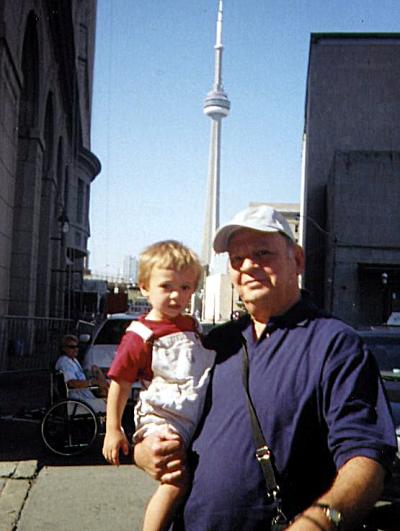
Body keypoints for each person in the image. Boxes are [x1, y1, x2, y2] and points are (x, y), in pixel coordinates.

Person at [134, 205, 398, 531]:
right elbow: (171, 412)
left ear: (297, 260)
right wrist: (145, 452)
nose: (247, 267)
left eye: (262, 253)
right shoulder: (216, 343)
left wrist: (319, 523)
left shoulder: (334, 343)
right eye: (236, 260)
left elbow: (366, 457)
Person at [102, 240, 216, 531]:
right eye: (166, 287)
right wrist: (113, 429)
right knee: (176, 480)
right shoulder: (140, 335)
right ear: (144, 287)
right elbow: (120, 384)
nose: (177, 296)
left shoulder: (192, 326)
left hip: (191, 413)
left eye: (186, 287)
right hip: (163, 416)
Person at [55, 334, 108, 413]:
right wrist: (92, 383)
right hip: (78, 399)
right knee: (110, 405)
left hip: (84, 395)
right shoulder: (65, 362)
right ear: (64, 349)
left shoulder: (74, 360)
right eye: (72, 347)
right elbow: (71, 383)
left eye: (77, 347)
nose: (76, 349)